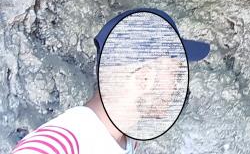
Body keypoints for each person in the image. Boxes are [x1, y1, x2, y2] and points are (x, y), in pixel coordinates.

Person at [13, 8, 209, 153]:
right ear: (144, 78)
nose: (178, 86)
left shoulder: (126, 141)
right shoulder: (58, 145)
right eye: (175, 73)